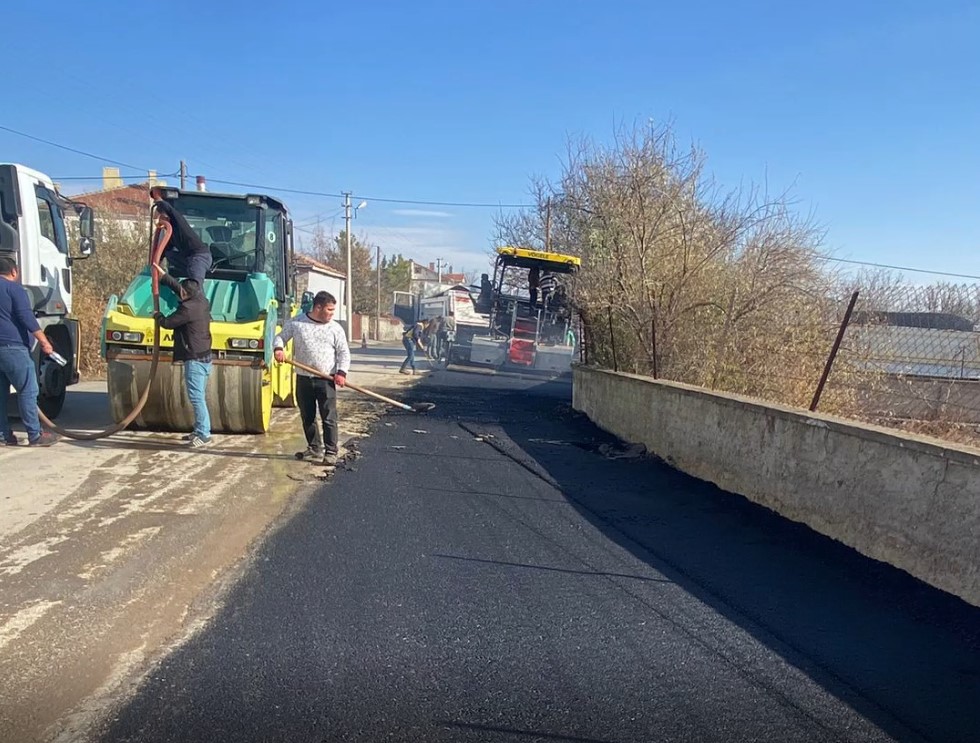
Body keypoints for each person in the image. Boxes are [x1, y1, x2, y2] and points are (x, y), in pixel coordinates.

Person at [273, 291, 350, 467]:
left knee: (329, 416)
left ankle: (331, 452)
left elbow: (344, 353)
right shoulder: (297, 323)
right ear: (318, 307)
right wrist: (278, 349)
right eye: (329, 310)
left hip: (326, 379)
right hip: (303, 378)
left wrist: (341, 373)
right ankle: (314, 447)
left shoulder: (335, 328)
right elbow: (280, 337)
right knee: (307, 416)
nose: (332, 313)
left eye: (333, 310)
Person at [151, 263, 214, 446]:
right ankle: (199, 429)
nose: (181, 294)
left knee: (196, 397)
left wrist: (157, 316)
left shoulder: (187, 310)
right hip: (205, 356)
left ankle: (204, 434)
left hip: (194, 359)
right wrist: (163, 276)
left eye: (182, 293)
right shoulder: (202, 301)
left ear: (186, 295)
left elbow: (168, 323)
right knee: (199, 395)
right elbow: (181, 289)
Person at [0, 256, 58, 447]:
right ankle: (35, 435)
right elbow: (26, 316)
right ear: (14, 271)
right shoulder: (14, 289)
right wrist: (44, 341)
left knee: (1, 393)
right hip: (13, 348)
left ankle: (3, 434)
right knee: (27, 391)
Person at [151, 193, 213, 284]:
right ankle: (170, 277)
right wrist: (156, 266)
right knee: (169, 254)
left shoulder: (178, 222)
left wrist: (156, 215)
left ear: (167, 217)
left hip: (200, 256)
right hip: (188, 258)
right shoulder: (171, 235)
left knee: (194, 286)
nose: (162, 221)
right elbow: (163, 251)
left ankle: (195, 289)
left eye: (163, 218)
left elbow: (165, 206)